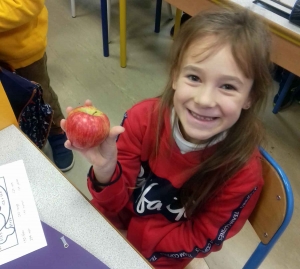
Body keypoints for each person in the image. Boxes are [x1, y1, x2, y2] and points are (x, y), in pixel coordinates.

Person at [61, 7, 273, 269]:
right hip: (108, 226)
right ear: (175, 76)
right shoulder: (142, 118)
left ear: (250, 97)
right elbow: (112, 202)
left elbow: (202, 238)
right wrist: (105, 170)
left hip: (157, 256)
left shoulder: (242, 174)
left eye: (228, 86)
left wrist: (134, 241)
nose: (204, 100)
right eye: (194, 77)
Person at [0, 1, 74, 171]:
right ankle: (20, 135)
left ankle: (57, 131)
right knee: (7, 101)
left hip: (23, 50)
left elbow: (29, 4)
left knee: (41, 95)